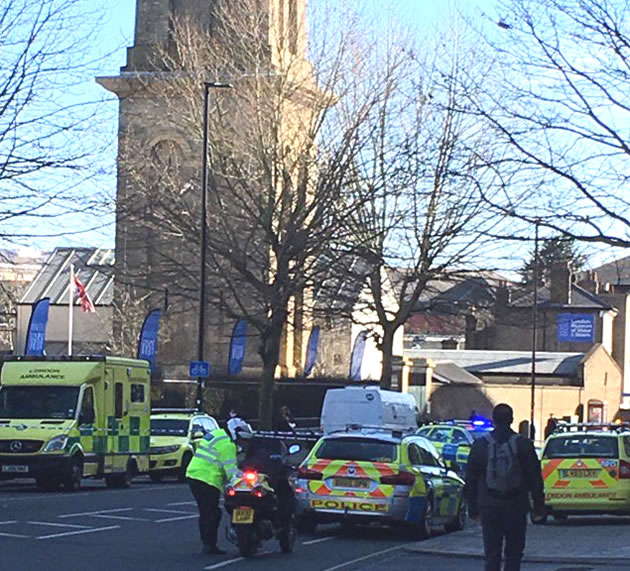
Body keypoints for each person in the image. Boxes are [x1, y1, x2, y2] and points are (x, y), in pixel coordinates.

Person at [465, 403, 545, 571]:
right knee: (514, 553)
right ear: (512, 420)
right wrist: (538, 507)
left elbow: (470, 479)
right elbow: (534, 478)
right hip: (516, 505)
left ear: (493, 420)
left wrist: (473, 509)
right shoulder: (524, 444)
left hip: (489, 505)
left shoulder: (481, 445)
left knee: (492, 553)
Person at [186, 424, 238, 555]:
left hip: (193, 474)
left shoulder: (215, 434)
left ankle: (207, 543)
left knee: (205, 512)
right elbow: (231, 472)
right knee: (212, 513)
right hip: (208, 479)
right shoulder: (228, 446)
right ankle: (210, 545)